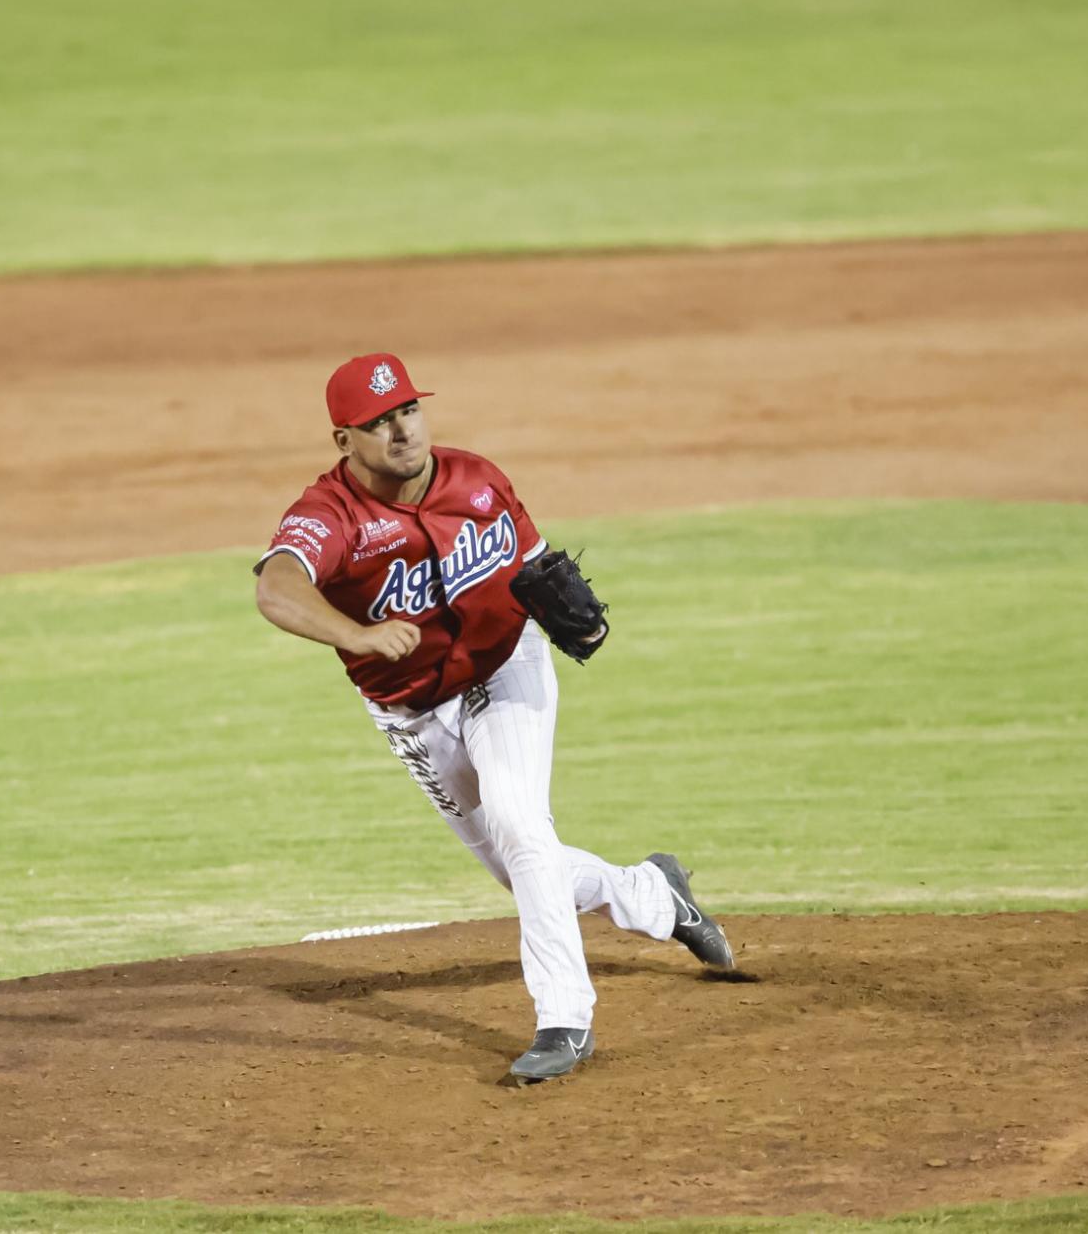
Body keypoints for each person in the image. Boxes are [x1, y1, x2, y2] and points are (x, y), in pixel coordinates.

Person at [253, 353, 735, 1083]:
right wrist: (356, 634)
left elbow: (535, 565)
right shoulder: (329, 515)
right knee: (523, 867)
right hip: (411, 710)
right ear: (343, 439)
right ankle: (652, 894)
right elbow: (277, 588)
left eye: (408, 410)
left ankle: (564, 1019)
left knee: (520, 821)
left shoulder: (478, 478)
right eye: (377, 422)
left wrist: (575, 619)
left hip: (507, 667)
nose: (400, 430)